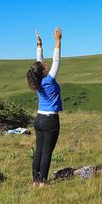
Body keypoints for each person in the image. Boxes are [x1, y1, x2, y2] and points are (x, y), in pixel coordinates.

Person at [26, 28, 63, 187]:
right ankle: (43, 182)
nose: (45, 64)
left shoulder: (37, 81)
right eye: (43, 65)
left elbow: (38, 61)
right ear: (43, 71)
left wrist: (39, 44)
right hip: (50, 121)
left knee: (39, 150)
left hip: (39, 119)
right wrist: (58, 40)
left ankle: (35, 180)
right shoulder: (48, 80)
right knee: (47, 151)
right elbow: (57, 60)